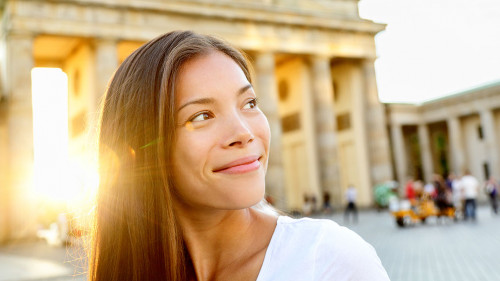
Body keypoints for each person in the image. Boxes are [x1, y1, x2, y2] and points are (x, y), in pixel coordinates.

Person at [90, 30, 389, 281]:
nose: (244, 132)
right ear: (141, 150)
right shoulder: (128, 270)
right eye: (202, 115)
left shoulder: (327, 261)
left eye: (249, 103)